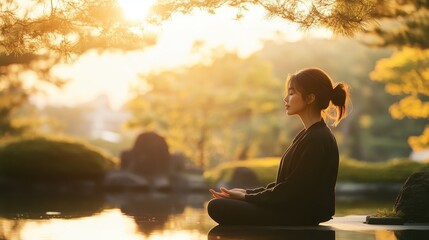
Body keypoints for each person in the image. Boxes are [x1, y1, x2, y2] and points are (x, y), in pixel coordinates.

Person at [208, 67, 350, 226]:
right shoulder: (309, 135)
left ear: (310, 98)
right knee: (223, 204)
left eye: (291, 93)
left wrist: (247, 197)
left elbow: (292, 190)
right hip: (293, 209)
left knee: (217, 206)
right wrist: (247, 193)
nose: (285, 99)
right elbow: (286, 185)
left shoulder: (318, 138)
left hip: (300, 214)